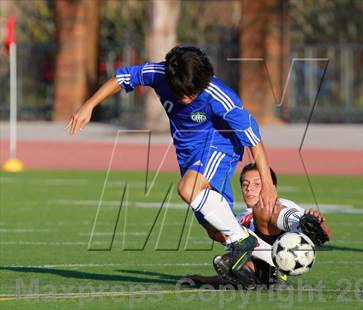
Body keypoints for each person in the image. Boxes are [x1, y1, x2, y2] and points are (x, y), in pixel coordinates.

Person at [66, 46, 278, 274]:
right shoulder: (159, 74)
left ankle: (241, 240)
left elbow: (254, 141)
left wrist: (267, 186)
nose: (186, 99)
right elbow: (123, 77)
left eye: (192, 94)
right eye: (182, 93)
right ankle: (273, 263)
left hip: (220, 146)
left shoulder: (222, 98)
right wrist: (89, 105)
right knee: (215, 230)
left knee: (188, 189)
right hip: (187, 154)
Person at [185, 163, 332, 288]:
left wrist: (316, 223)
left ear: (271, 186)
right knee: (220, 235)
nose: (249, 188)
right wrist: (208, 280)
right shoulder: (239, 217)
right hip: (260, 269)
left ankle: (276, 273)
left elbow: (321, 232)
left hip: (284, 260)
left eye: (257, 184)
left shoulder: (280, 205)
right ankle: (248, 279)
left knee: (265, 208)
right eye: (245, 184)